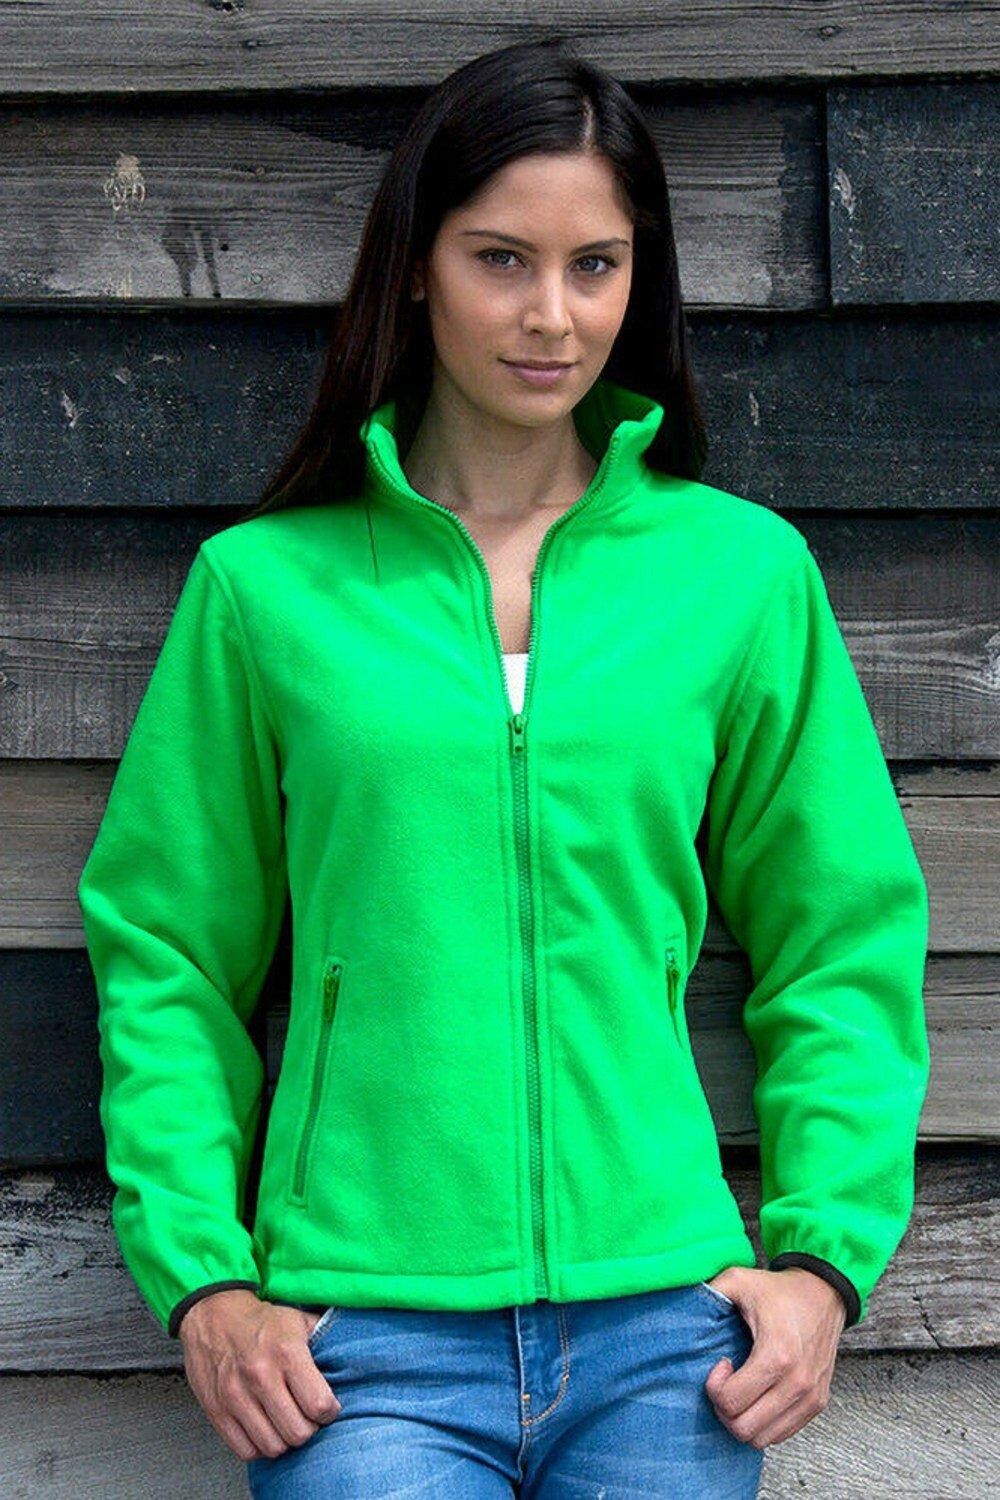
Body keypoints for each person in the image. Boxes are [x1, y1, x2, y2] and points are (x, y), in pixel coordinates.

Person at [77, 36, 931, 1499]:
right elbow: (167, 953)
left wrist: (822, 1262)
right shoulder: (265, 589)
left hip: (667, 1330)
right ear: (418, 266)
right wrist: (204, 1280)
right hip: (359, 1339)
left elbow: (841, 933)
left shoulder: (737, 576)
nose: (552, 316)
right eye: (501, 261)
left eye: (595, 266)